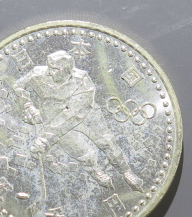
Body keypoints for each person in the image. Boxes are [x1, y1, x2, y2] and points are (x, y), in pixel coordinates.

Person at [13, 50, 144, 192]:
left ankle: (125, 171)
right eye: (49, 67)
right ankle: (95, 171)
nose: (49, 72)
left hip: (85, 116)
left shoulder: (82, 80)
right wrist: (28, 106)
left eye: (54, 69)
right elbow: (18, 86)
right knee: (81, 151)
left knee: (107, 142)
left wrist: (45, 140)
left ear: (66, 71)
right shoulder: (38, 74)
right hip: (53, 119)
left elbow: (71, 114)